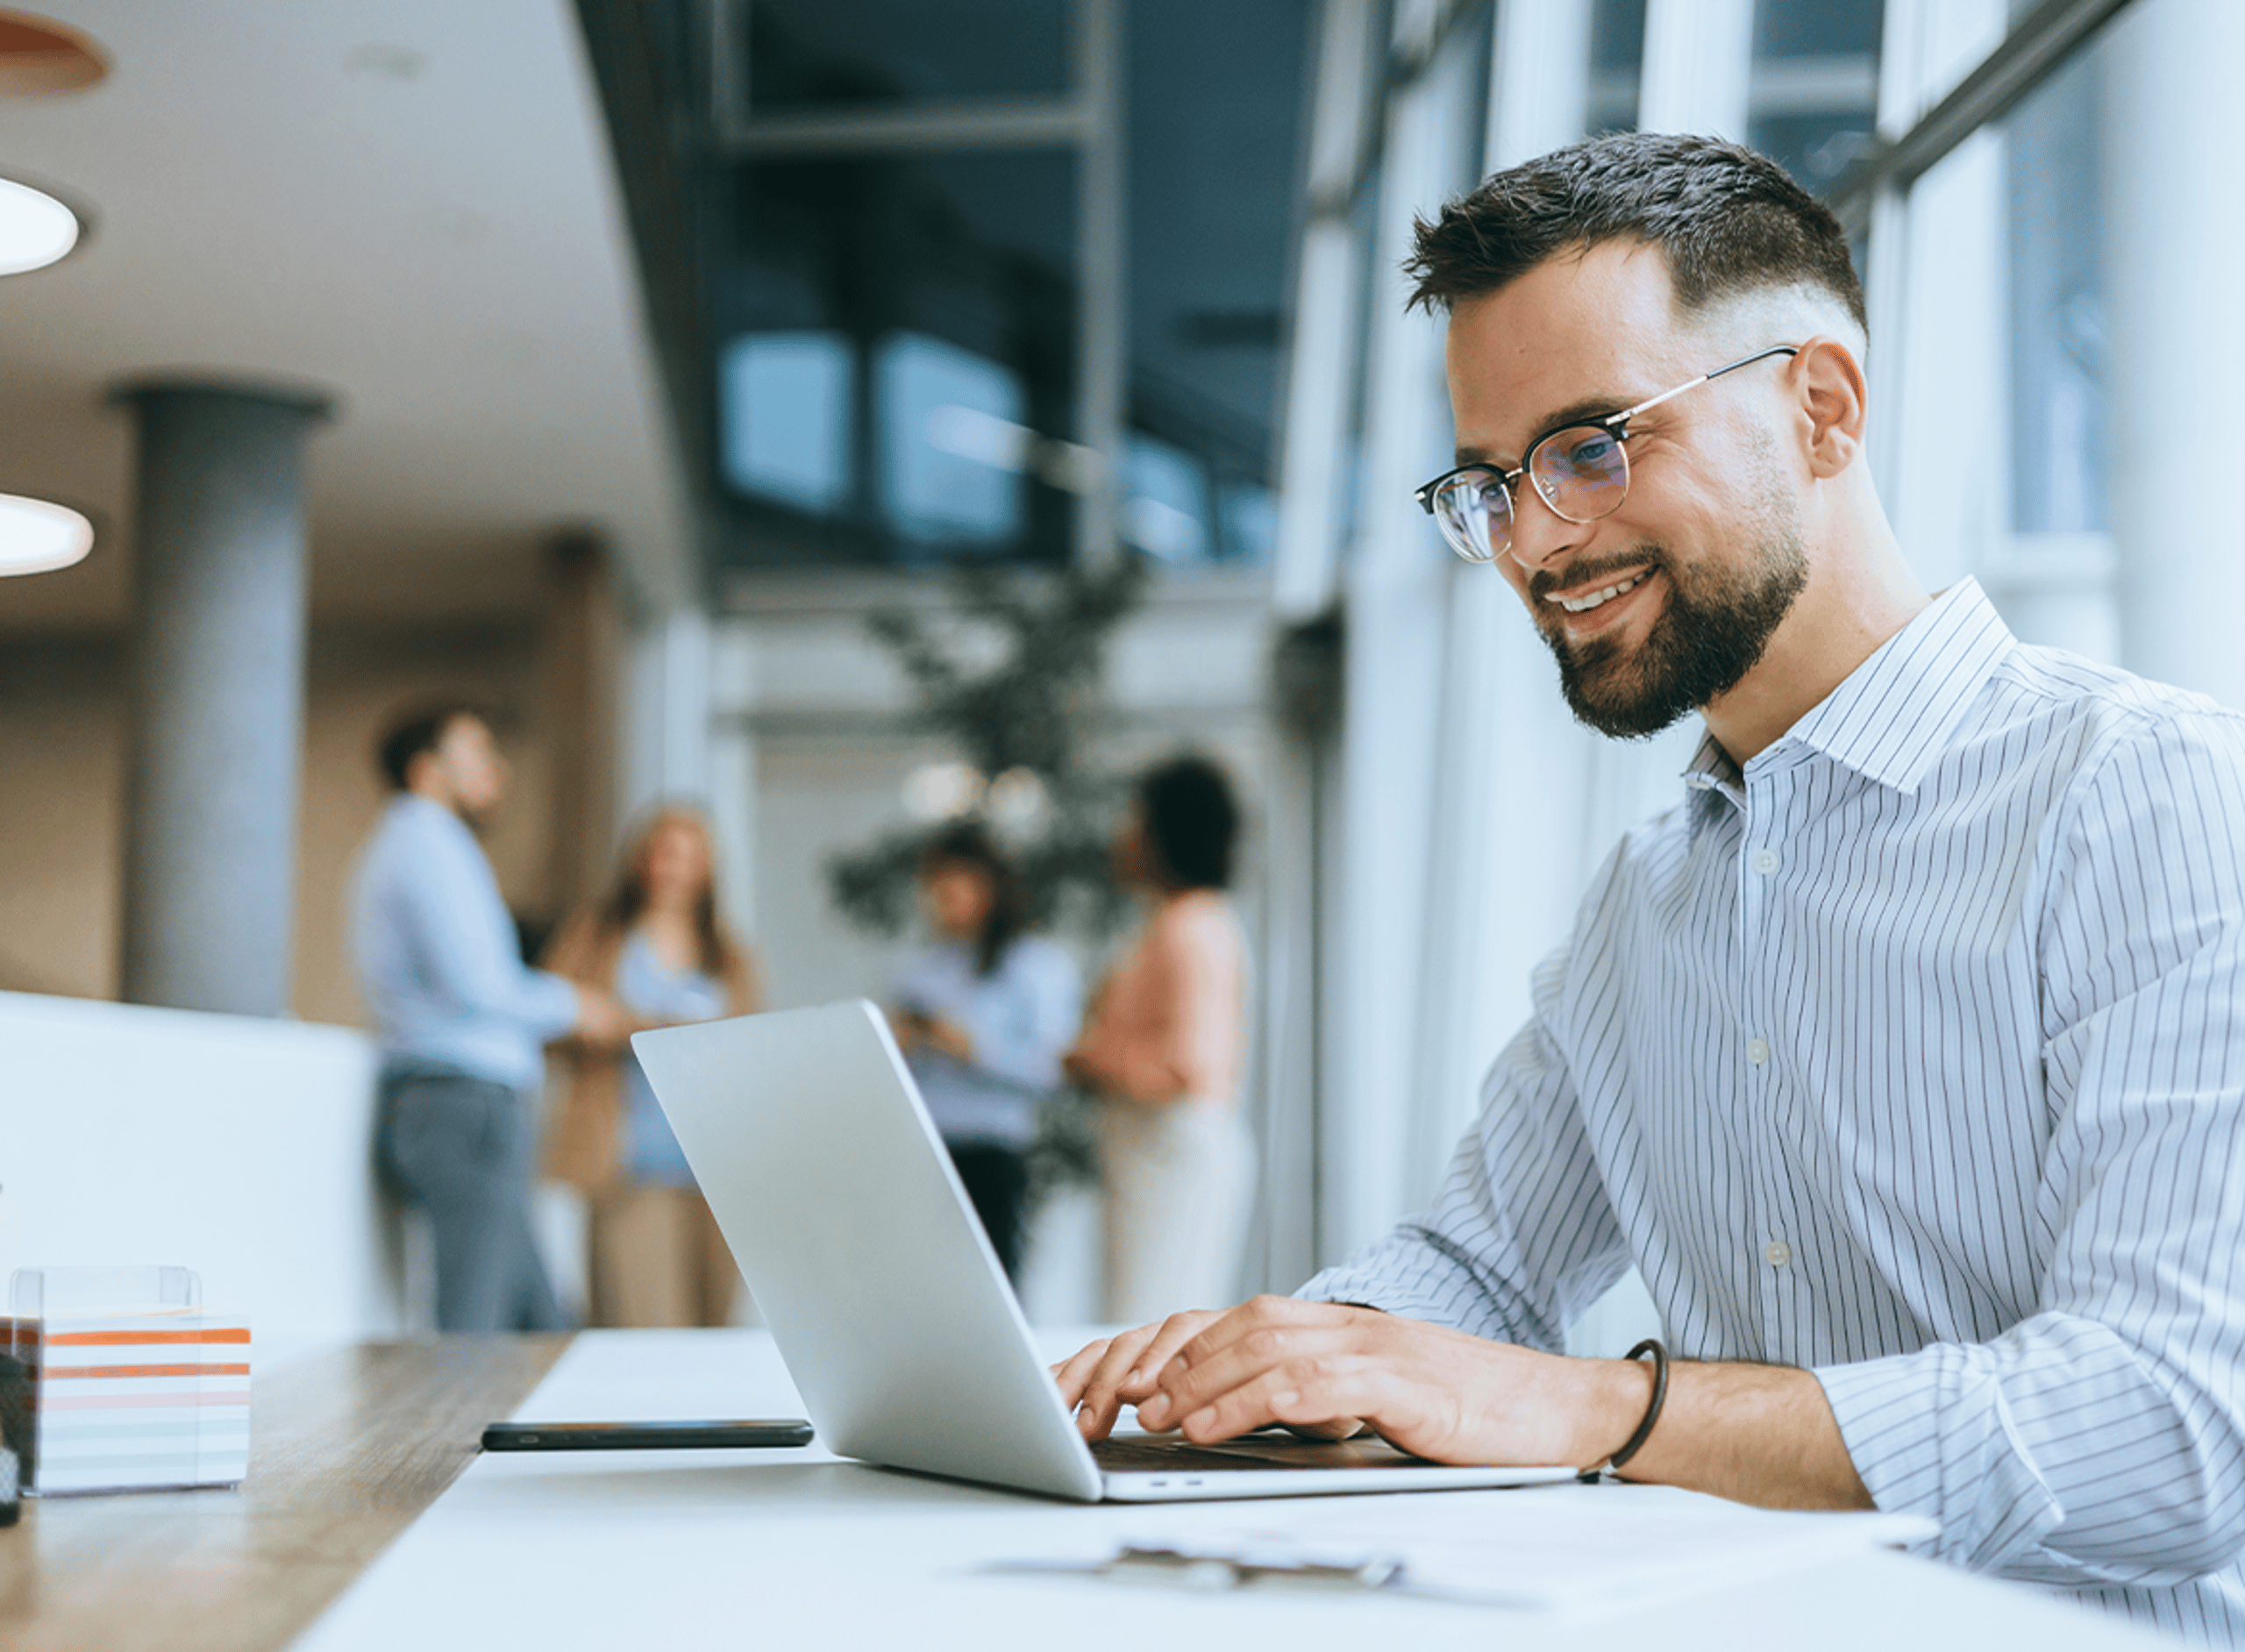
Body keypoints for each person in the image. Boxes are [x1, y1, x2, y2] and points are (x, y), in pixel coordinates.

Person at [1056, 133, 2245, 1639]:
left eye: (1596, 442)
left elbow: (2176, 1427)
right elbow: (1480, 1263)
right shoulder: (1654, 888)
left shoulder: (2153, 800)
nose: (1538, 540)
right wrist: (1266, 1361)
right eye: (1491, 483)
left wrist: (1599, 1408)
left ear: (1820, 407)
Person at [352, 705, 629, 1333]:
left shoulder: (415, 845)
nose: (498, 771)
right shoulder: (430, 846)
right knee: (475, 1329)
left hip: (462, 1105)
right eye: (478, 755)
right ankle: (453, 1436)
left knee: (538, 1322)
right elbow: (478, 984)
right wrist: (575, 1005)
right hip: (462, 1105)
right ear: (427, 771)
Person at [543, 806, 760, 1328]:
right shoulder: (596, 938)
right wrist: (626, 1027)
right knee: (644, 1327)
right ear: (640, 860)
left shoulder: (729, 955)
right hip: (629, 1166)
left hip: (713, 1173)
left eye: (687, 856)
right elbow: (550, 1018)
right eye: (662, 853)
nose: (672, 868)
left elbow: (754, 1054)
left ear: (707, 869)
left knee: (711, 1329)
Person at [1065, 755, 1252, 1325]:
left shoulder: (1191, 928)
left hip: (1170, 1154)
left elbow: (1188, 1067)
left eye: (1137, 819)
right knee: (1144, 1317)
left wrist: (1091, 1058)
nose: (1124, 834)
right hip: (1153, 1153)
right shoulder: (1178, 921)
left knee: (1151, 1322)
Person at [889, 820, 1080, 1282]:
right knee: (925, 1287)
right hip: (925, 1151)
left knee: (993, 1287)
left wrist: (974, 1049)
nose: (946, 896)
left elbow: (1054, 1071)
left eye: (960, 883)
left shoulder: (1036, 967)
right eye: (937, 885)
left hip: (994, 1156)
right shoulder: (920, 971)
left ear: (990, 887)